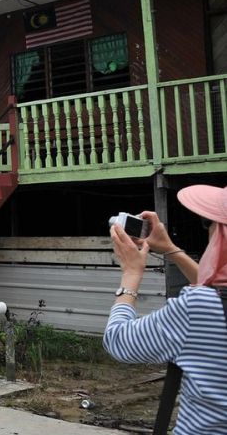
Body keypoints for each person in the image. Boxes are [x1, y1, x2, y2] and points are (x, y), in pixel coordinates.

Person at [105, 185, 227, 434]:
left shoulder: (198, 306)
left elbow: (118, 341)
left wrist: (131, 274)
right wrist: (170, 249)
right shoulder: (210, 302)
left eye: (209, 223)